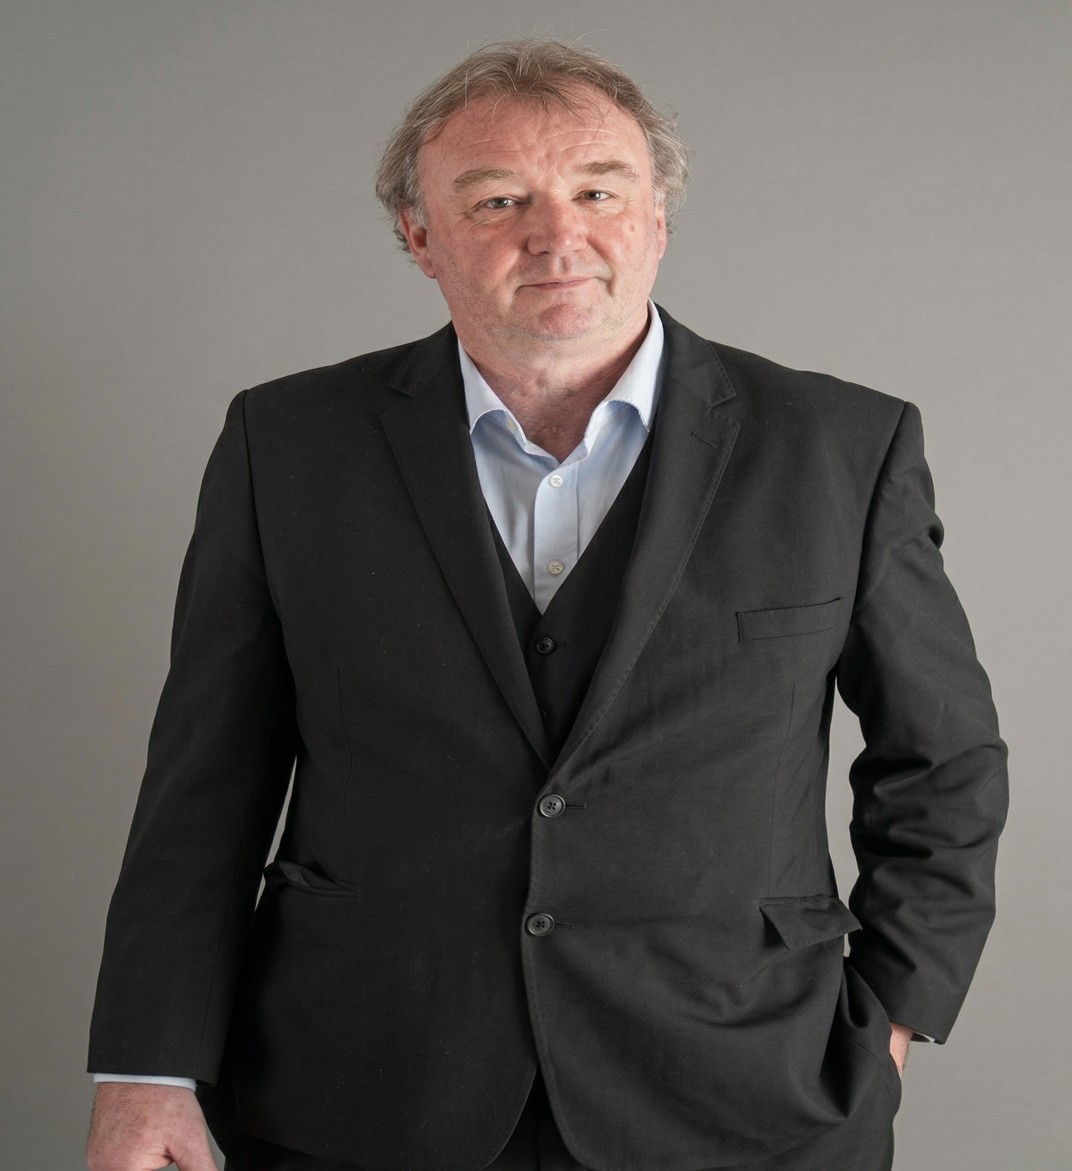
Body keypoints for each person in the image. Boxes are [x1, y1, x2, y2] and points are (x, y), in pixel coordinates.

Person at [86, 39, 1008, 1171]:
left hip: (744, 1093)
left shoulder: (841, 448)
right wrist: (148, 1068)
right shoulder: (286, 446)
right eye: (498, 198)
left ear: (657, 217)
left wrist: (891, 1025)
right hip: (361, 1089)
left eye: (598, 191)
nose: (557, 233)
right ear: (419, 237)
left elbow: (943, 760)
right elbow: (204, 780)